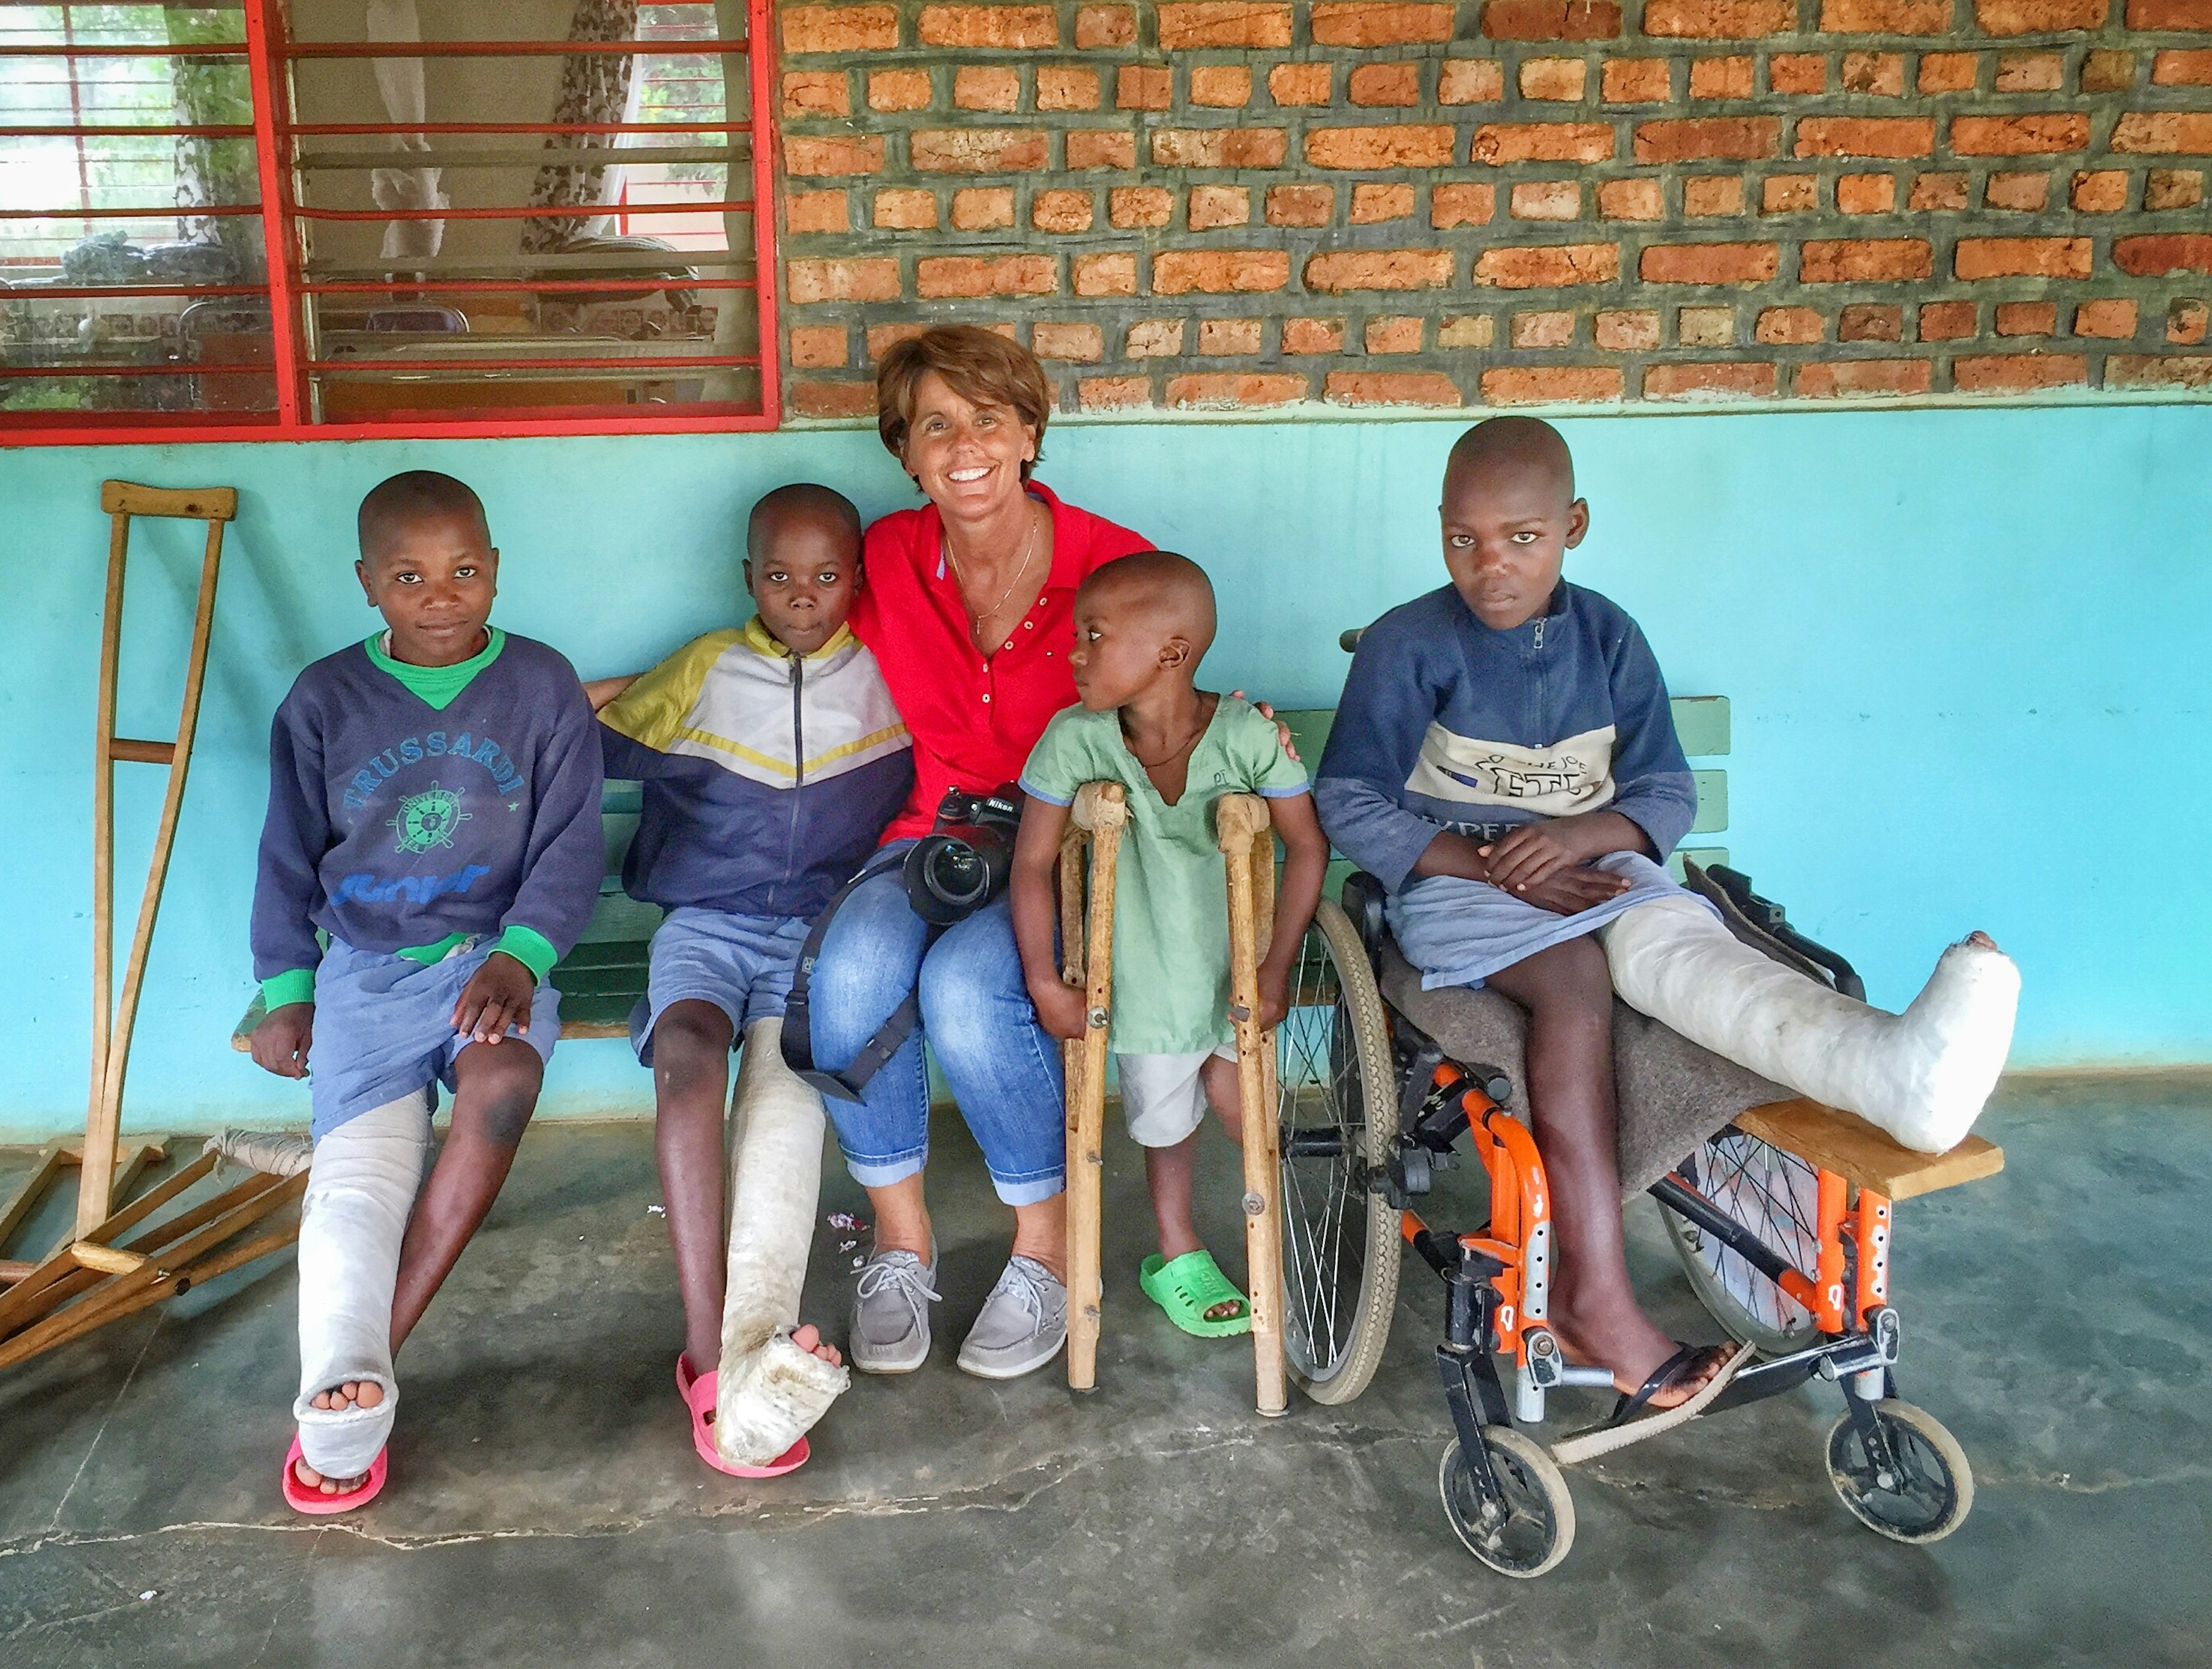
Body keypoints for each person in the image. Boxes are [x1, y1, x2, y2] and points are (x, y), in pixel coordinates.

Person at [1316, 418, 2018, 1439]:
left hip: (1599, 863)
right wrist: (1485, 860)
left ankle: (1896, 1067)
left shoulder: (1609, 636)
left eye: (1521, 536)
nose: (1490, 564)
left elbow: (1663, 790)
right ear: (1439, 532)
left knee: (1686, 962)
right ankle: (1596, 1298)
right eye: (1462, 538)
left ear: (1574, 526)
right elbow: (1350, 800)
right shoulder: (1408, 642)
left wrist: (1581, 839)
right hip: (1452, 877)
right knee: (1573, 985)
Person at [247, 469, 605, 1508]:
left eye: (462, 571)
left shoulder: (540, 685)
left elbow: (570, 843)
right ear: (367, 583)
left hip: (499, 955)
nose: (439, 593)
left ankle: (363, 1351)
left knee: (497, 1090)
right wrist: (285, 987)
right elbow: (284, 852)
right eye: (409, 575)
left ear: (493, 570)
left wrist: (524, 956)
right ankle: (346, 1361)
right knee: (359, 1176)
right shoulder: (323, 699)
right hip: (367, 963)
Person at [806, 325, 1158, 1381]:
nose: (965, 447)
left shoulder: (1116, 562)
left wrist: (1254, 738)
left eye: (988, 421)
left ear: (1030, 434)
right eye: (936, 426)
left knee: (967, 985)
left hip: (1069, 854)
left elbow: (1169, 706)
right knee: (854, 964)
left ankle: (1045, 1250)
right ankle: (901, 1245)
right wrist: (549, 700)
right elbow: (761, 645)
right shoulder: (883, 557)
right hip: (932, 834)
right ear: (906, 452)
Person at [592, 484, 911, 1473]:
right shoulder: (705, 668)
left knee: (784, 1098)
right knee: (688, 1061)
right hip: (705, 927)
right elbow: (579, 745)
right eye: (779, 576)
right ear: (748, 580)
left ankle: (752, 1345)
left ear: (857, 580)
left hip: (819, 938)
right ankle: (706, 1346)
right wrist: (566, 692)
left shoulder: (892, 677)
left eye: (825, 577)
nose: (802, 596)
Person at [1008, 552, 1329, 1338]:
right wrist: (1048, 983)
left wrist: (1276, 964)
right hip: (1144, 987)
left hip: (1235, 974)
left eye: (1093, 636)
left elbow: (1306, 848)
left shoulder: (1246, 735)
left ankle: (1280, 1235)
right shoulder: (1077, 739)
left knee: (1237, 1103)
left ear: (1172, 653)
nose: (1074, 654)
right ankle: (1176, 1253)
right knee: (1165, 1124)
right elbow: (1032, 862)